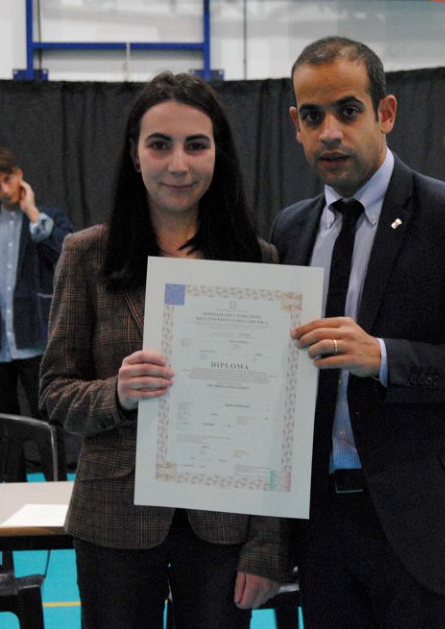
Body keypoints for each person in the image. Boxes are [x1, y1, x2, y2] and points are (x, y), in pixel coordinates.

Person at [270, 37, 445, 628]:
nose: (330, 132)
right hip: (323, 534)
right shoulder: (291, 229)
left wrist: (385, 357)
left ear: (385, 113)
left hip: (432, 531)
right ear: (295, 125)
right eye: (312, 116)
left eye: (348, 111)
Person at [38, 72, 289, 628]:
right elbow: (54, 391)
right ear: (135, 154)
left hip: (225, 522)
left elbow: (278, 422)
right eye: (160, 144)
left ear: (218, 154)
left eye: (196, 145)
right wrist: (117, 394)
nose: (179, 164)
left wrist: (267, 546)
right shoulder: (86, 254)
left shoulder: (259, 262)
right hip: (114, 518)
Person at [0, 147, 74, 418]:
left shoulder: (50, 219)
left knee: (47, 417)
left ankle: (50, 451)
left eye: (8, 180)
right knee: (2, 422)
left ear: (19, 174)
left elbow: (67, 260)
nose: (5, 190)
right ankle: (8, 452)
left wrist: (32, 213)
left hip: (37, 335)